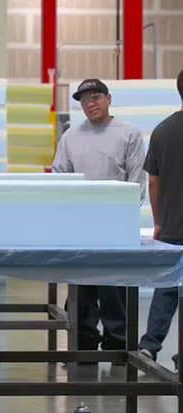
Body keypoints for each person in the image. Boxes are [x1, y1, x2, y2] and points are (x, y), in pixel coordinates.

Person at [52, 78, 147, 354]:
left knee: (113, 287)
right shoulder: (70, 136)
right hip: (80, 226)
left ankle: (118, 345)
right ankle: (83, 343)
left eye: (95, 97)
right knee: (81, 288)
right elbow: (60, 175)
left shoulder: (128, 133)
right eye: (84, 100)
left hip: (115, 226)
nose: (90, 103)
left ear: (108, 99)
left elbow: (137, 180)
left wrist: (124, 216)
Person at [137, 70, 183, 371]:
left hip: (171, 224)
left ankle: (149, 345)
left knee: (166, 290)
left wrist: (158, 220)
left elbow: (153, 181)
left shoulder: (163, 130)